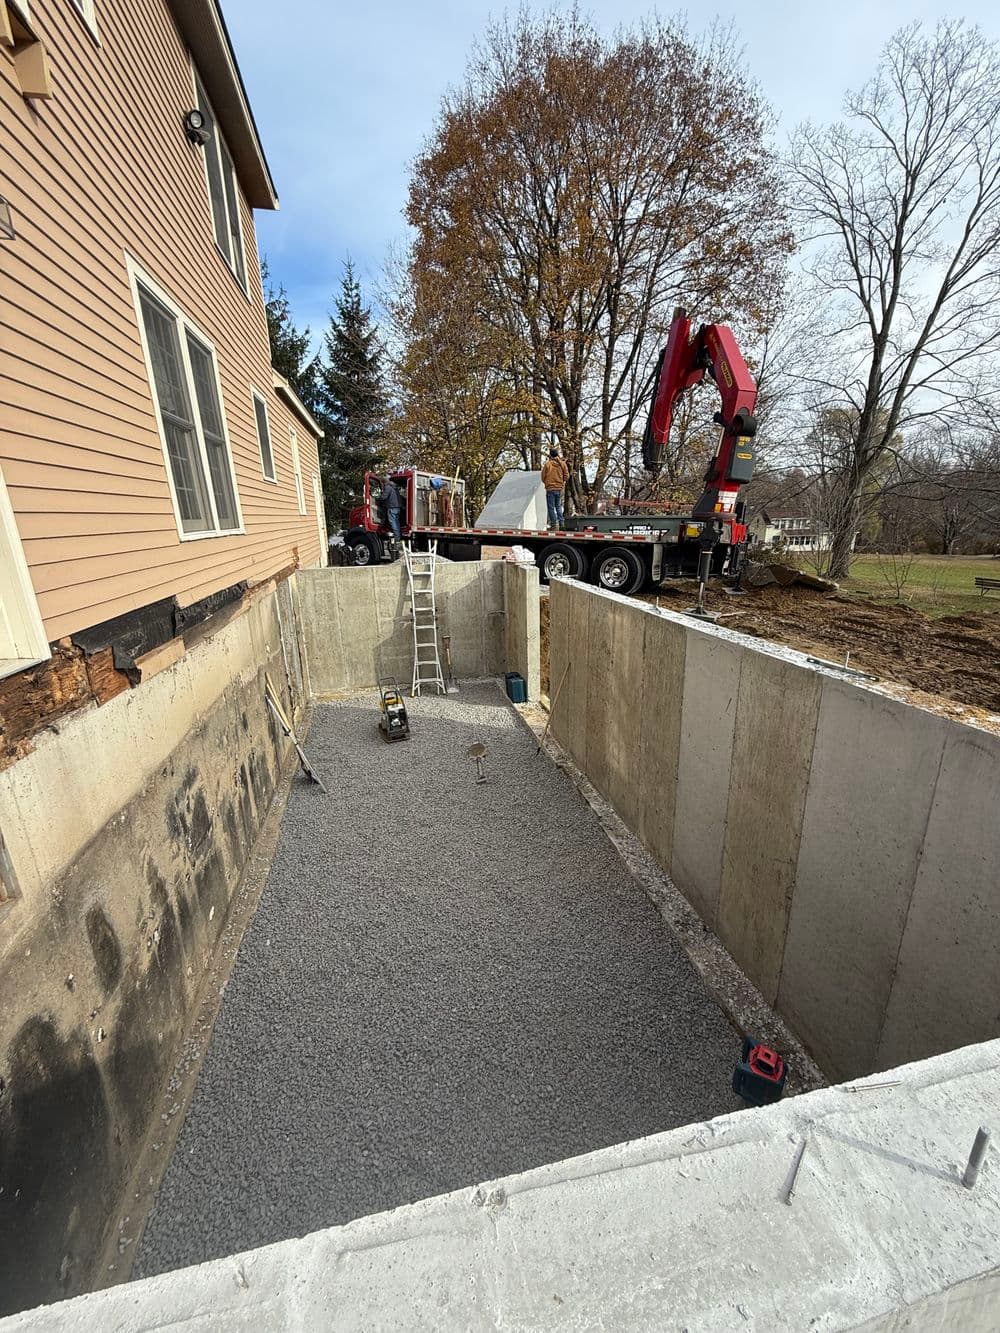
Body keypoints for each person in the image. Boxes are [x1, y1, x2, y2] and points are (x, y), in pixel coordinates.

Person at [541, 447, 570, 529]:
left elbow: (543, 477)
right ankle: (562, 523)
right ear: (557, 454)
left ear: (550, 455)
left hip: (550, 488)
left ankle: (554, 524)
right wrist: (561, 481)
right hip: (559, 488)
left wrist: (547, 482)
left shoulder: (547, 464)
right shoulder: (562, 464)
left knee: (551, 507)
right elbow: (567, 476)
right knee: (558, 506)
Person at [381, 475, 402, 543]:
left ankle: (397, 538)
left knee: (393, 522)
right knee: (396, 522)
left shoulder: (388, 487)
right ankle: (398, 536)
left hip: (392, 507)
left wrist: (379, 497)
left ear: (384, 482)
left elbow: (384, 497)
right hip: (397, 507)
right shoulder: (394, 487)